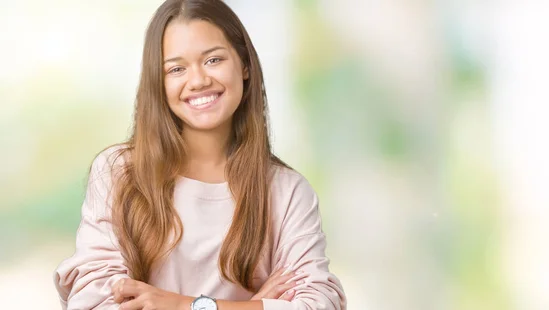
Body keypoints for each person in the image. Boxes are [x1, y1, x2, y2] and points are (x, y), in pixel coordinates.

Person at [53, 0, 346, 309]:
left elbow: (318, 304)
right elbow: (96, 302)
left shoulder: (288, 192)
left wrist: (183, 305)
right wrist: (252, 305)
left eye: (213, 60)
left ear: (244, 65)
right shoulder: (120, 173)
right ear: (159, 81)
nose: (198, 81)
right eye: (176, 68)